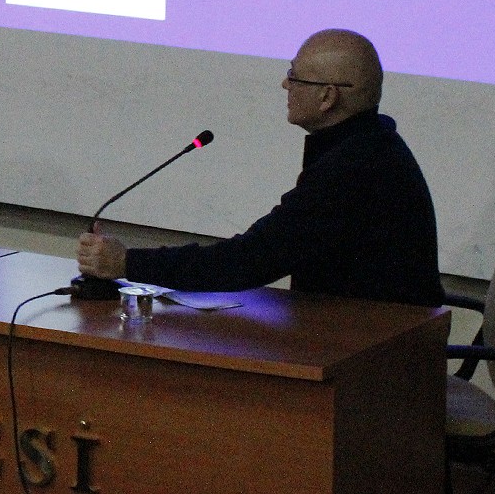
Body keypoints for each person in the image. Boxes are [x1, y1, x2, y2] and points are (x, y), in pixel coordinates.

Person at [76, 29, 443, 307]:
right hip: (357, 333)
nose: (285, 84)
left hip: (379, 353)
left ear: (327, 96)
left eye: (294, 76)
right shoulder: (368, 144)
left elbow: (249, 261)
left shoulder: (355, 167)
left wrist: (126, 262)